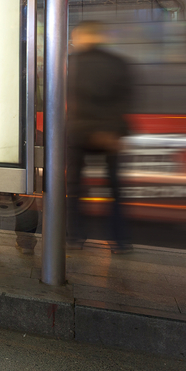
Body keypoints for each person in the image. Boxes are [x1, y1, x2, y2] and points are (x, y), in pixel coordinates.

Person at [66, 20, 133, 253]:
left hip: (79, 132)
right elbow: (126, 98)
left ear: (84, 37)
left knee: (75, 187)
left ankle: (75, 237)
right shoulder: (119, 62)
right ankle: (119, 241)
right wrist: (110, 131)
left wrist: (90, 127)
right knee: (114, 189)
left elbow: (69, 97)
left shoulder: (71, 63)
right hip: (111, 135)